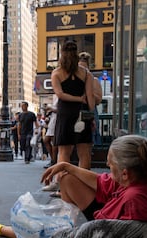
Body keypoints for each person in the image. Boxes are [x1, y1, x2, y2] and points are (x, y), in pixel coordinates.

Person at [0, 135, 147, 238]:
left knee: (42, 235)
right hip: (102, 223)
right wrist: (66, 165)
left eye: (110, 164)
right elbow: (101, 181)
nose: (106, 166)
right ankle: (57, 228)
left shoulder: (135, 200)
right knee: (67, 178)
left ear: (125, 173)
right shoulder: (133, 180)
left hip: (100, 237)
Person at [51, 41, 95, 169]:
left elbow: (60, 94)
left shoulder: (56, 73)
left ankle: (63, 185)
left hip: (65, 113)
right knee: (84, 152)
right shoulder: (86, 73)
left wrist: (76, 99)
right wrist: (91, 117)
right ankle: (83, 184)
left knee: (64, 152)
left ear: (61, 54)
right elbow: (90, 97)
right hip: (82, 113)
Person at [78, 52, 103, 145]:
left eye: (84, 68)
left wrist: (89, 93)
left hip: (89, 110)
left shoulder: (94, 80)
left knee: (90, 136)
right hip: (77, 110)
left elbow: (99, 99)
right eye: (79, 67)